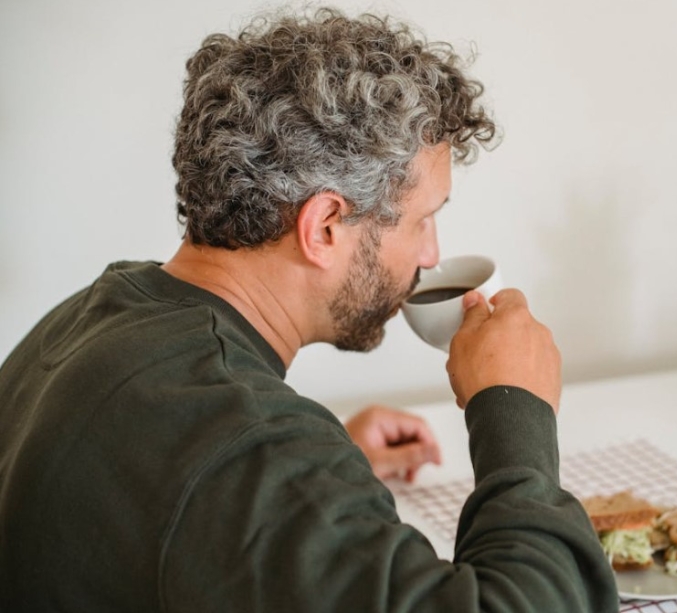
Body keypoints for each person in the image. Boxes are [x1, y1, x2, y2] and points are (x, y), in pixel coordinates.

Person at [0, 7, 618, 612]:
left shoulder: (91, 316)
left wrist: (317, 489)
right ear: (323, 226)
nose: (432, 255)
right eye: (424, 219)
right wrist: (514, 409)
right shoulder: (250, 448)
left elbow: (161, 499)